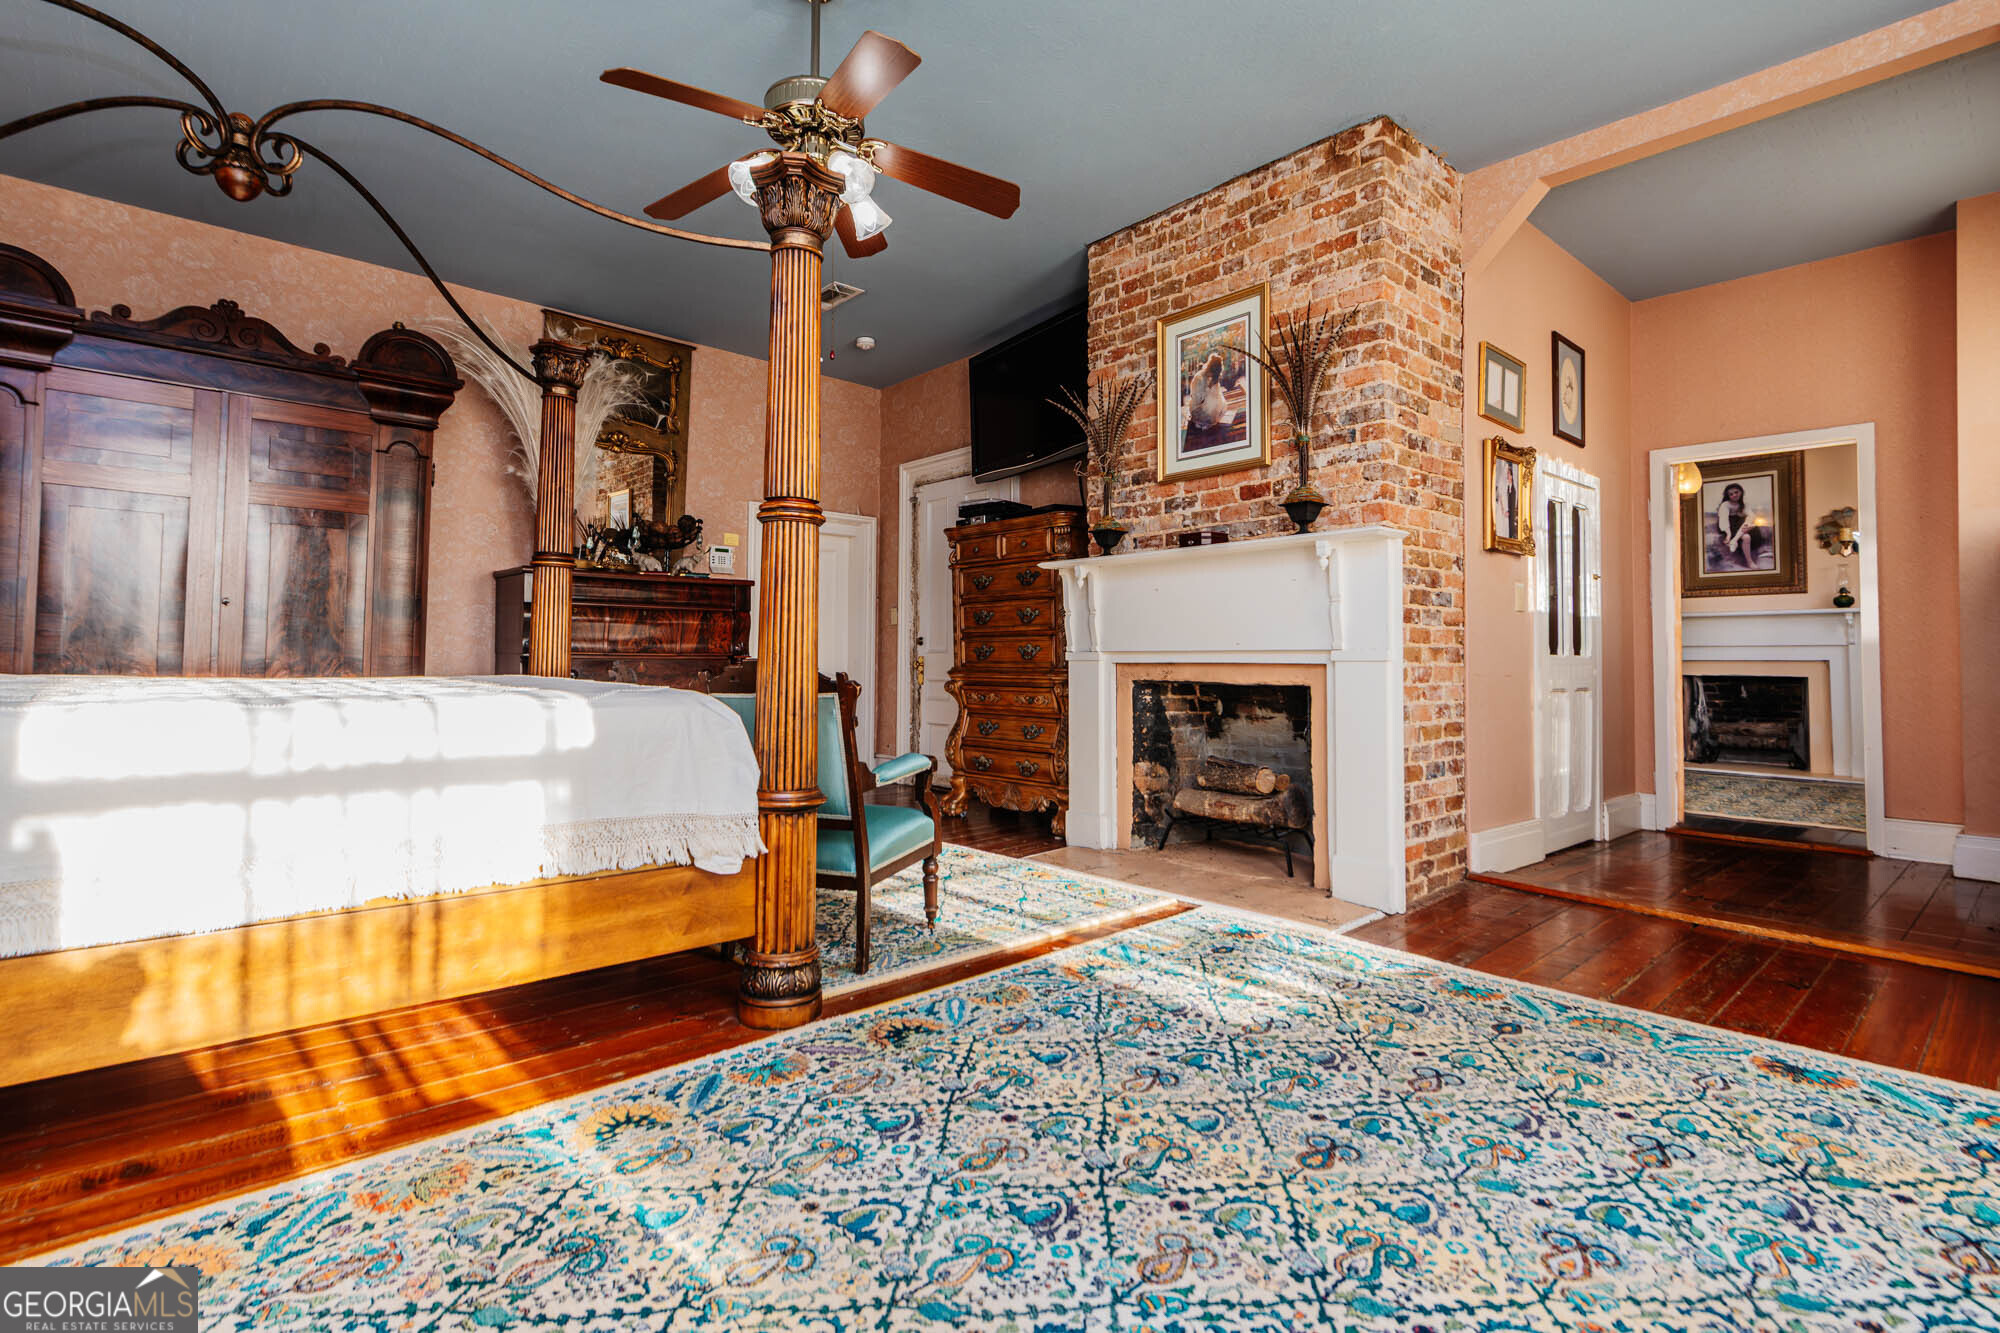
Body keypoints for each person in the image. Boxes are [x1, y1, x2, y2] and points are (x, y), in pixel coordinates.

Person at [1713, 482, 1753, 567]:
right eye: (1731, 494)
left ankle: (1734, 541)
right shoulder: (1726, 504)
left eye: (1736, 492)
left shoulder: (1744, 504)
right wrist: (1728, 534)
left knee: (1750, 518)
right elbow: (1724, 520)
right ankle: (1749, 562)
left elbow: (1751, 515)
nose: (1734, 495)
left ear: (1741, 492)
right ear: (1728, 496)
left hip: (1740, 525)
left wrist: (1750, 525)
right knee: (1746, 537)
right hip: (1729, 526)